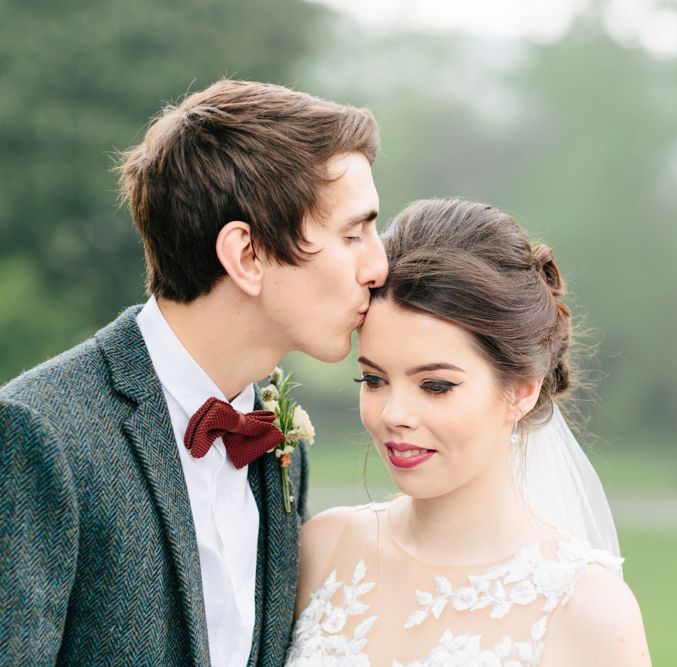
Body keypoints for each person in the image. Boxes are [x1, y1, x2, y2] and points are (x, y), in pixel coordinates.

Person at [0, 79, 388, 666]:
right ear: (247, 256)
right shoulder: (40, 433)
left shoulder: (277, 440)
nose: (378, 265)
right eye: (353, 233)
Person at [288, 199, 652, 666]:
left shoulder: (588, 610)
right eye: (374, 380)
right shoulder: (324, 548)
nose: (395, 414)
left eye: (435, 386)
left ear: (521, 389)